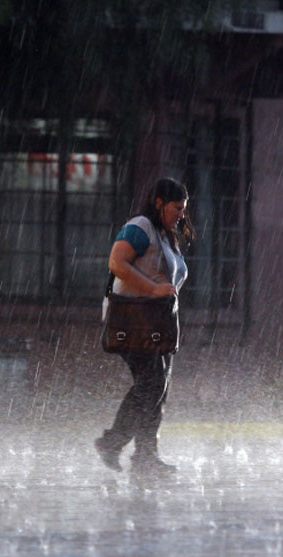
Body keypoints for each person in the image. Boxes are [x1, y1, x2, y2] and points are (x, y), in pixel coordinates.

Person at [95, 177, 194, 477]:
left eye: (184, 209)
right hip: (136, 319)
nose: (182, 215)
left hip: (157, 323)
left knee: (158, 388)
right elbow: (116, 262)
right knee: (152, 383)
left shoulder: (166, 235)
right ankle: (113, 442)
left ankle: (146, 458)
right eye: (177, 208)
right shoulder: (141, 226)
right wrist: (152, 289)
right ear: (159, 202)